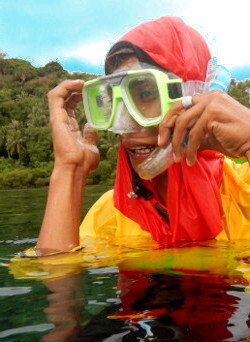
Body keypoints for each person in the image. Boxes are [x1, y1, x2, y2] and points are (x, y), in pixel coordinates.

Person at [32, 16, 250, 256]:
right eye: (114, 100)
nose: (125, 124)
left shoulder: (244, 189)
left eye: (146, 94)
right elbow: (58, 283)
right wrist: (69, 170)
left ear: (195, 95)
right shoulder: (111, 213)